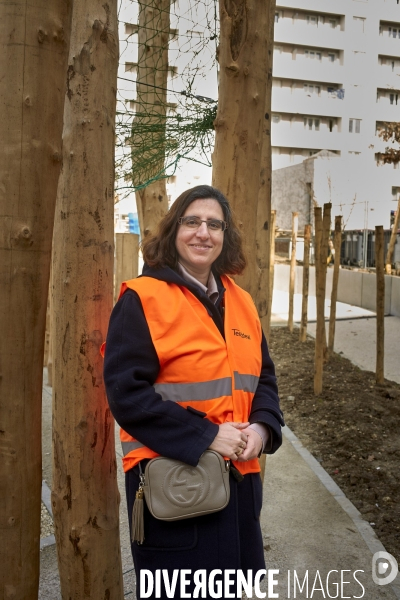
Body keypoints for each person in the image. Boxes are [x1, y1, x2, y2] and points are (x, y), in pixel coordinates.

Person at [104, 185, 284, 599]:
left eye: (214, 225)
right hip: (176, 487)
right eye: (192, 221)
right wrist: (206, 435)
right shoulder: (142, 299)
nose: (204, 233)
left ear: (225, 237)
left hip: (239, 487)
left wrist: (261, 431)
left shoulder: (242, 302)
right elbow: (125, 394)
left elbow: (265, 381)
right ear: (174, 231)